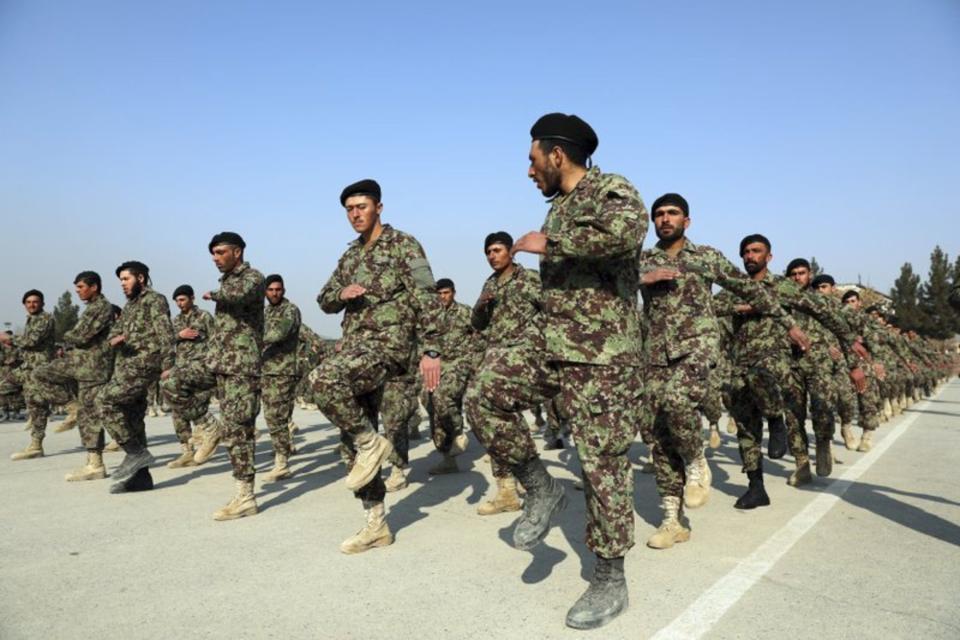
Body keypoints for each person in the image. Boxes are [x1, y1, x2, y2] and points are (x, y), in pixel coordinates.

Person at [510, 113, 646, 629]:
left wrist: (554, 244)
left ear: (557, 155)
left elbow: (627, 232)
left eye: (532, 158)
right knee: (486, 393)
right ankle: (541, 489)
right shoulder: (558, 208)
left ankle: (610, 579)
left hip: (602, 357)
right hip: (552, 346)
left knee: (601, 464)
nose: (529, 170)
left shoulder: (612, 189)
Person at [639, 194, 797, 549]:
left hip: (697, 347)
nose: (665, 219)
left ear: (687, 221)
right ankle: (672, 519)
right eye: (659, 215)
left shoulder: (705, 257)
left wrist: (788, 324)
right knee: (659, 434)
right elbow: (611, 288)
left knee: (678, 401)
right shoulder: (642, 261)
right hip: (655, 354)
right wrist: (642, 279)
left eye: (673, 214)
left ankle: (697, 460)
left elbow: (748, 288)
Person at [310, 179, 445, 554]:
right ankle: (376, 524)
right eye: (349, 209)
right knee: (351, 444)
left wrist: (431, 348)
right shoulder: (349, 256)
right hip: (354, 346)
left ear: (379, 208)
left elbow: (427, 296)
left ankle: (373, 443)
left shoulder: (403, 244)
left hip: (388, 347)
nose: (355, 215)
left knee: (321, 379)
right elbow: (323, 298)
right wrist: (341, 293)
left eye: (362, 207)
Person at [162, 232, 266, 519]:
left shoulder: (254, 278)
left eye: (220, 252)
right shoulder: (227, 281)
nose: (215, 258)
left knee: (239, 431)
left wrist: (214, 295)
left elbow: (241, 295)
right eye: (213, 254)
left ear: (238, 252)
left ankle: (244, 495)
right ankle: (209, 426)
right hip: (216, 361)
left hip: (242, 367)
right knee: (171, 382)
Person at [465, 231, 543, 516]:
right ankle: (507, 489)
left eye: (497, 250)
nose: (492, 256)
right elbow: (477, 324)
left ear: (511, 252)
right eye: (488, 252)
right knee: (493, 423)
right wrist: (481, 305)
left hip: (525, 359)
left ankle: (528, 478)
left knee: (495, 416)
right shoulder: (490, 285)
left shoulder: (530, 280)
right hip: (495, 359)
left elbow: (553, 311)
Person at [98, 261, 175, 493]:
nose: (122, 284)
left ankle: (135, 452)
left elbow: (166, 334)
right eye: (120, 280)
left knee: (105, 400)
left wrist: (168, 365)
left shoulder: (155, 300)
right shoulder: (130, 305)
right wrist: (115, 339)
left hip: (144, 362)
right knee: (132, 417)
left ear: (140, 278)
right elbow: (114, 332)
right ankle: (141, 478)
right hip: (128, 364)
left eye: (126, 279)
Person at [32, 272, 116, 480]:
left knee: (91, 415)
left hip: (93, 367)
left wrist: (69, 335)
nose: (78, 291)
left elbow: (80, 335)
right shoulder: (92, 308)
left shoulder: (102, 308)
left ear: (94, 287)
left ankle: (95, 464)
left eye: (81, 287)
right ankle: (71, 407)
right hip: (80, 362)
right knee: (40, 374)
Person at [421, 277, 478, 475]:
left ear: (453, 293)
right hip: (437, 366)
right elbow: (422, 340)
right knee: (431, 406)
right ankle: (447, 458)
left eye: (446, 293)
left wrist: (475, 362)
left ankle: (458, 432)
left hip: (460, 363)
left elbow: (479, 335)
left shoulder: (465, 312)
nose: (443, 297)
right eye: (439, 293)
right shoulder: (429, 316)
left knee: (443, 398)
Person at [162, 285, 215, 468]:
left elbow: (216, 339)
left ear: (192, 298)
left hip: (200, 368)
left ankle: (207, 434)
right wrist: (179, 335)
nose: (179, 303)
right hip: (181, 368)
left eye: (183, 299)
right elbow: (167, 343)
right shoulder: (176, 321)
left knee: (195, 404)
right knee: (177, 408)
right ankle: (186, 451)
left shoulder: (204, 317)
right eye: (177, 301)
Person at [2, 290, 56, 460]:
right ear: (24, 304)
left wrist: (8, 338)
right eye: (28, 302)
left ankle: (36, 445)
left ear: (42, 304)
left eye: (35, 302)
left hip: (38, 370)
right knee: (4, 386)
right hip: (26, 368)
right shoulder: (30, 319)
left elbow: (32, 341)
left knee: (37, 405)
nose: (32, 305)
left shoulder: (46, 319)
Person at [260, 274, 302, 481]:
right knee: (272, 416)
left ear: (283, 290)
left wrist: (250, 337)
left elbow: (278, 334)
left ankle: (282, 462)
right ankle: (283, 450)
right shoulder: (264, 312)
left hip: (283, 370)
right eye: (271, 290)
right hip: (265, 370)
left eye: (278, 289)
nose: (275, 293)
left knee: (276, 416)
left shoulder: (290, 310)